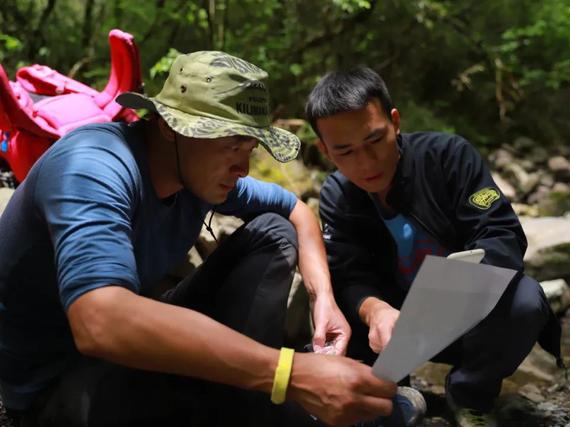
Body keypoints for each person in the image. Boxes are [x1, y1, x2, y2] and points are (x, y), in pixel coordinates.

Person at [0, 51, 400, 427]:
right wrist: (289, 374)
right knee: (214, 394)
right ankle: (267, 399)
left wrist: (323, 300)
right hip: (56, 383)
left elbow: (297, 213)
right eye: (230, 145)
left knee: (272, 231)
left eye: (249, 148)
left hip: (130, 351)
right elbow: (99, 321)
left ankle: (256, 395)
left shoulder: (198, 173)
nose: (242, 166)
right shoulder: (92, 167)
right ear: (170, 128)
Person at [305, 67, 563, 427]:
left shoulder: (448, 157)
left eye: (375, 141)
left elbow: (501, 233)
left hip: (467, 314)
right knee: (327, 311)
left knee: (526, 299)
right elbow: (349, 274)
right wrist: (375, 311)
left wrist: (458, 288)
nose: (365, 163)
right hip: (391, 332)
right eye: (345, 152)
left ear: (395, 122)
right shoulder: (338, 195)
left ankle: (469, 395)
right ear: (325, 151)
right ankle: (389, 399)